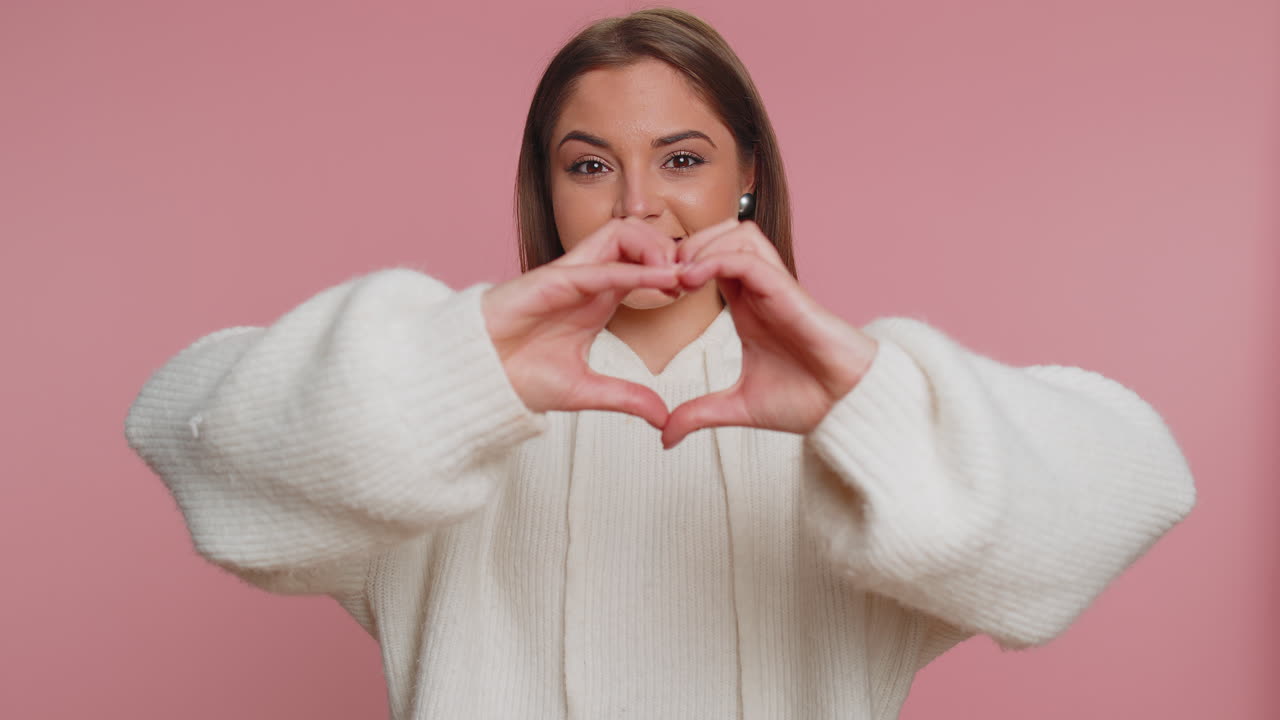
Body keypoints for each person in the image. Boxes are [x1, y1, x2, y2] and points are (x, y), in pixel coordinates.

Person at [123, 7, 1197, 719]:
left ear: (745, 177)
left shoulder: (850, 427)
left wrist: (866, 404)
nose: (637, 203)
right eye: (588, 165)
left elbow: (1136, 484)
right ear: (547, 193)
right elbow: (184, 421)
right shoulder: (433, 408)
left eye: (680, 158)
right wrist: (458, 374)